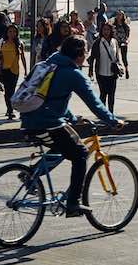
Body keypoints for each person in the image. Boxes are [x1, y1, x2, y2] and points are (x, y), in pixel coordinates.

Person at [21, 35, 125, 217]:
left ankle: (33, 175)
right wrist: (112, 120)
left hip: (30, 119)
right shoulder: (73, 74)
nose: (86, 56)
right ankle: (73, 203)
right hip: (46, 123)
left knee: (68, 143)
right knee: (80, 154)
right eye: (85, 52)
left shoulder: (47, 65)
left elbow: (51, 97)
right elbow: (95, 103)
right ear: (78, 54)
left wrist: (71, 117)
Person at [88, 22, 122, 112]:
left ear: (111, 30)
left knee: (111, 95)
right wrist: (90, 70)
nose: (106, 32)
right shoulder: (97, 43)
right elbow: (92, 57)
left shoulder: (114, 42)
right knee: (103, 94)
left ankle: (111, 114)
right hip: (101, 73)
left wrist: (120, 66)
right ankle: (103, 114)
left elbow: (117, 56)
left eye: (108, 29)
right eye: (104, 30)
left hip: (112, 73)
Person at [0, 24, 27, 120]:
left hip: (14, 70)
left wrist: (26, 70)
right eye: (10, 31)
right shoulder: (3, 43)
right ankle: (9, 110)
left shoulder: (19, 44)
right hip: (4, 70)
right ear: (7, 32)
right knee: (7, 91)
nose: (12, 33)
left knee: (12, 91)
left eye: (14, 32)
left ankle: (10, 109)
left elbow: (22, 57)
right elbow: (0, 57)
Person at [111, 10, 131, 78]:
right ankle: (117, 70)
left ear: (123, 16)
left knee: (124, 57)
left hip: (123, 42)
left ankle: (126, 70)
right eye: (117, 15)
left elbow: (127, 35)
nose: (119, 16)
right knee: (115, 57)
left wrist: (126, 41)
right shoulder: (113, 25)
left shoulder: (125, 26)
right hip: (115, 42)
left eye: (120, 15)